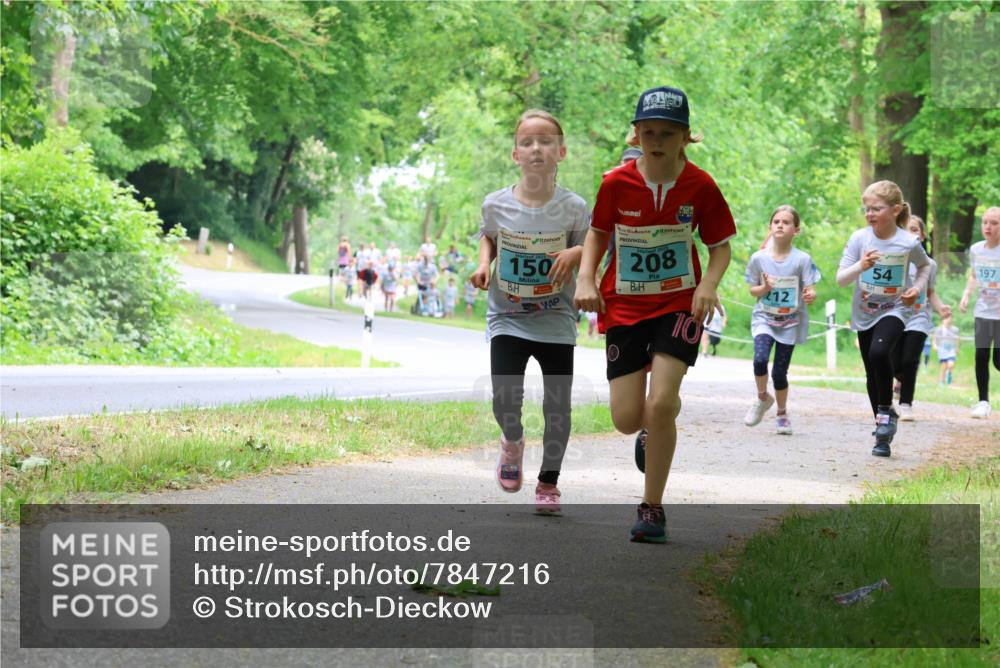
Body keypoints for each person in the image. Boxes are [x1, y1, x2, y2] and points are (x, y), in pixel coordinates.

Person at [574, 86, 735, 542]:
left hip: (677, 302)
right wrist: (586, 280)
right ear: (636, 134)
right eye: (648, 133)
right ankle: (651, 425)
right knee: (628, 419)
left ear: (685, 136)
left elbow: (719, 245)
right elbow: (598, 235)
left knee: (661, 402)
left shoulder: (700, 185)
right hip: (624, 304)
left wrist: (708, 284)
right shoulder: (615, 183)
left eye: (667, 133)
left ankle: (652, 508)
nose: (657, 141)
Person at [470, 109, 589, 516]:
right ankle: (512, 440)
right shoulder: (495, 204)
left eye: (545, 141)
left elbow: (592, 250)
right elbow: (489, 237)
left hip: (556, 317)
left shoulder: (574, 208)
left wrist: (576, 252)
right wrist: (485, 264)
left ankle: (548, 482)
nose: (536, 148)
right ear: (515, 154)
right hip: (507, 315)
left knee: (558, 406)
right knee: (505, 400)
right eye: (527, 142)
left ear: (562, 151)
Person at [836, 180, 930, 457]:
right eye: (867, 208)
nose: (870, 214)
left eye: (876, 208)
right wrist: (860, 266)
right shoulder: (859, 239)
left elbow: (925, 266)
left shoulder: (907, 241)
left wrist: (916, 289)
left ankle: (885, 415)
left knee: (879, 353)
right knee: (871, 372)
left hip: (895, 309)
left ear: (895, 210)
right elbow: (841, 279)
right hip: (864, 311)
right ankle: (882, 428)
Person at [743, 205, 820, 435]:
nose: (780, 225)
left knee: (779, 373)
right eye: (776, 221)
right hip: (764, 318)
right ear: (770, 227)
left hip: (790, 322)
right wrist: (764, 287)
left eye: (786, 222)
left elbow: (811, 287)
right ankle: (762, 399)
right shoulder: (759, 258)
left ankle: (782, 412)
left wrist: (810, 294)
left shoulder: (802, 259)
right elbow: (752, 291)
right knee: (759, 360)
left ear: (796, 230)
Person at [890, 215, 951, 421]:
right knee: (894, 361)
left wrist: (941, 308)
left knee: (910, 360)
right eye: (906, 229)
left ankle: (906, 403)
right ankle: (899, 379)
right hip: (896, 315)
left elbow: (931, 292)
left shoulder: (930, 264)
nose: (910, 233)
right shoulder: (893, 259)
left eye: (915, 229)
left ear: (923, 236)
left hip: (919, 317)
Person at [959, 206, 1000, 419]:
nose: (988, 227)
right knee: (981, 355)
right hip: (983, 311)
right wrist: (966, 295)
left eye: (994, 223)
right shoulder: (976, 249)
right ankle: (983, 401)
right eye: (985, 222)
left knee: (998, 361)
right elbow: (974, 275)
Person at [933, 313, 960, 385]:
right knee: (943, 366)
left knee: (951, 364)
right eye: (946, 318)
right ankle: (942, 381)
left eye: (950, 318)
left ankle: (949, 374)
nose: (948, 320)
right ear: (942, 320)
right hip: (942, 349)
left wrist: (957, 348)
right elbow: (935, 338)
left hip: (951, 349)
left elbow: (957, 339)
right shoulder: (939, 329)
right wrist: (935, 345)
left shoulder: (955, 329)